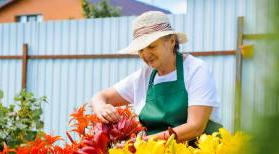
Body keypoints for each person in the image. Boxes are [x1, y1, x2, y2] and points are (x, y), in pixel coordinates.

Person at [91, 11, 222, 145]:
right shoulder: (143, 76)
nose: (146, 54)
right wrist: (102, 108)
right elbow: (99, 96)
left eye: (152, 46)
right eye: (140, 50)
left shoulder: (196, 70)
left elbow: (196, 127)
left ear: (171, 42)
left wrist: (145, 142)